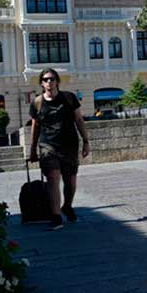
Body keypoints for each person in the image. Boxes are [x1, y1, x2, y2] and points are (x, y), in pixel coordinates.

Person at [27, 68, 89, 230]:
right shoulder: (37, 103)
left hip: (69, 145)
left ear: (57, 81)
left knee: (70, 181)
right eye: (46, 79)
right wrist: (32, 149)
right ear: (41, 83)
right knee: (53, 177)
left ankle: (67, 206)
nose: (49, 82)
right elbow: (35, 126)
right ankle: (55, 217)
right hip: (48, 145)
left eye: (52, 79)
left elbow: (79, 119)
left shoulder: (69, 98)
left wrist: (86, 141)